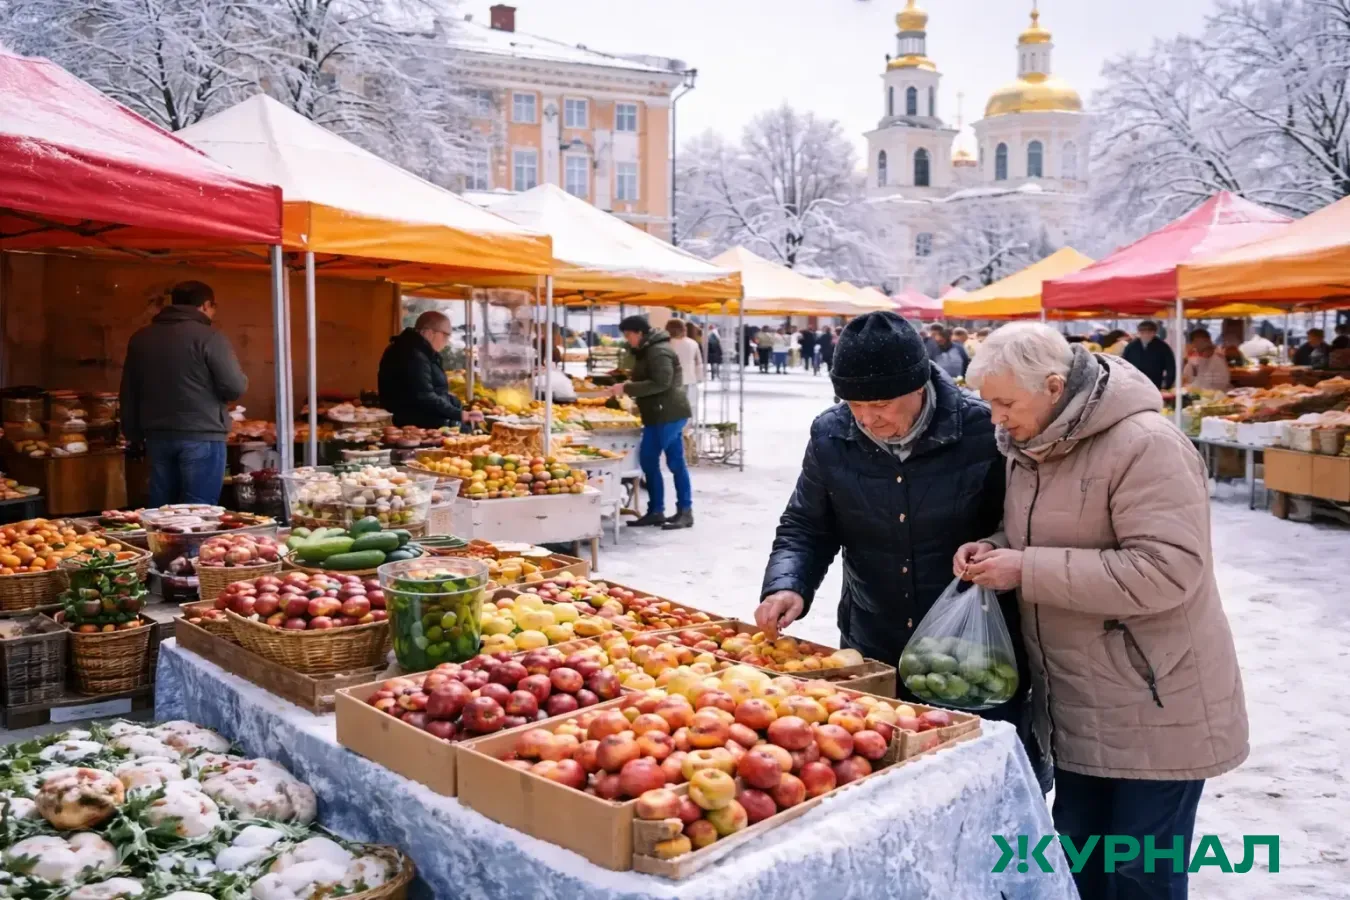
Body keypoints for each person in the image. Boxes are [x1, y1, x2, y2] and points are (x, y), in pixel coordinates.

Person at [956, 323, 1248, 900]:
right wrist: (995, 546)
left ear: (1055, 385)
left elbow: (1168, 569)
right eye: (988, 403)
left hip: (1154, 703)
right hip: (1078, 703)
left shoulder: (1146, 445)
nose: (996, 418)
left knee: (1140, 878)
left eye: (1005, 403)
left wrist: (1027, 568)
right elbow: (1058, 532)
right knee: (1078, 867)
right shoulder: (1033, 445)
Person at [756, 311, 1046, 786]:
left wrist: (994, 548)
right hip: (875, 642)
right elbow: (806, 524)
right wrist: (788, 584)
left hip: (973, 653)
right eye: (853, 403)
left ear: (918, 385)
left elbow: (1022, 522)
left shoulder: (984, 430)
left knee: (978, 784)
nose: (868, 418)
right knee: (884, 782)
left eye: (882, 403)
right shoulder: (832, 434)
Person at [121, 280, 247, 507]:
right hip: (202, 434)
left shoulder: (141, 338)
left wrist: (133, 434)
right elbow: (235, 387)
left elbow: (129, 390)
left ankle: (160, 544)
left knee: (162, 509)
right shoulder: (210, 337)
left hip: (157, 436)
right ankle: (191, 545)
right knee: (198, 510)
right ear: (206, 305)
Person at [610, 316, 694, 530]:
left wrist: (628, 387)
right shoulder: (649, 350)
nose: (628, 340)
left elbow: (662, 382)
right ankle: (656, 510)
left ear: (639, 332)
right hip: (656, 414)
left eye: (628, 335)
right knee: (648, 460)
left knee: (675, 463)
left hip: (669, 413)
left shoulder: (658, 350)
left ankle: (685, 511)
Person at [378, 311, 463, 429]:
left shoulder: (416, 350)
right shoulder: (413, 354)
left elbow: (433, 391)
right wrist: (459, 414)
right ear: (429, 333)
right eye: (445, 335)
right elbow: (424, 396)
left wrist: (455, 404)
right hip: (417, 426)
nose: (447, 341)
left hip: (419, 421)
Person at [665, 319, 703, 423]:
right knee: (686, 404)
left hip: (670, 379)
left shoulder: (666, 344)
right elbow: (699, 363)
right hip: (689, 378)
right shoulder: (693, 343)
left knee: (671, 405)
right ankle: (684, 426)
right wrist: (699, 378)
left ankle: (674, 425)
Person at [1121, 320, 1175, 389]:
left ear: (1154, 333)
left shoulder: (1163, 347)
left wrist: (1168, 384)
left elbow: (1171, 366)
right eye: (1142, 332)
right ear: (1139, 332)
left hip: (1155, 382)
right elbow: (1123, 363)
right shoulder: (1131, 346)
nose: (1146, 335)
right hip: (1134, 382)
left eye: (1149, 332)